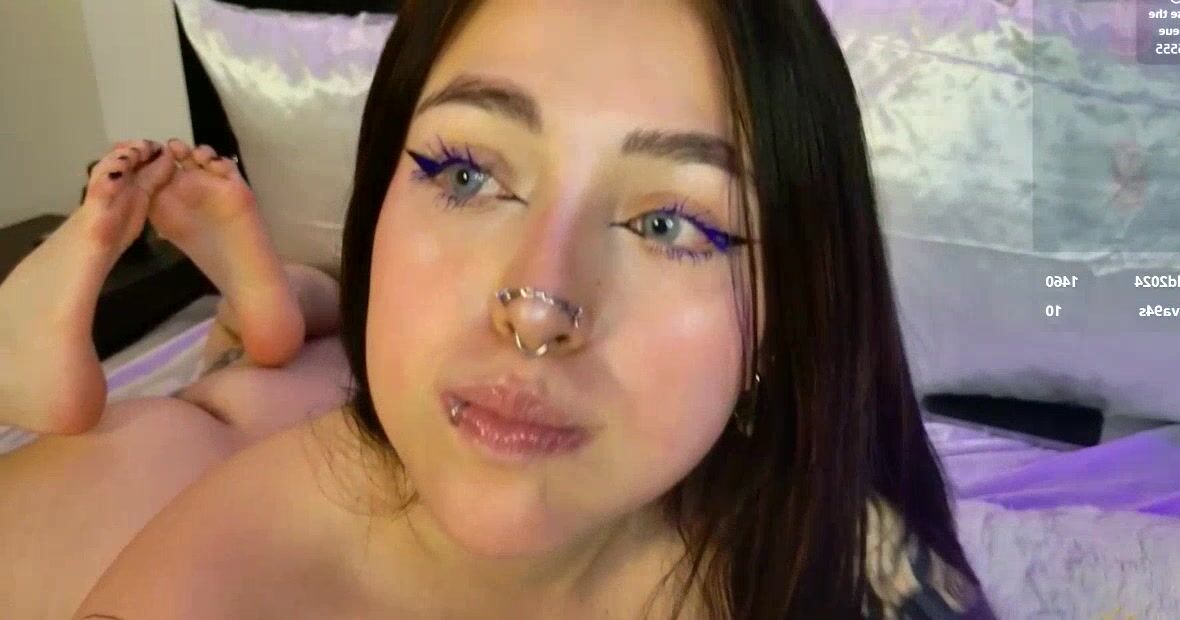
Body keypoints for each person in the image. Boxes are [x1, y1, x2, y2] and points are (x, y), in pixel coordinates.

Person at [0, 0, 994, 617]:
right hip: (163, 453)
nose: (537, 309)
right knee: (236, 396)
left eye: (669, 224)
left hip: (309, 408)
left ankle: (272, 305)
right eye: (465, 173)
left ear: (790, 309)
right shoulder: (204, 578)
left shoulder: (842, 564)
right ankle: (262, 308)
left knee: (292, 366)